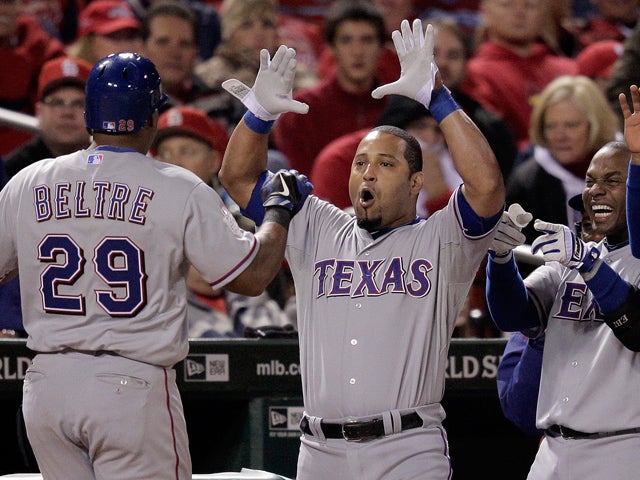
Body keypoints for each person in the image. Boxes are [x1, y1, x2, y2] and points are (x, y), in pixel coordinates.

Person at [0, 52, 312, 479]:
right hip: (129, 386)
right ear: (151, 118)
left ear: (91, 113)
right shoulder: (176, 186)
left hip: (48, 386)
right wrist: (278, 213)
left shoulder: (29, 180)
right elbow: (253, 276)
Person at [219, 18, 505, 479]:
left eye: (385, 164)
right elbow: (238, 178)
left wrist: (437, 96)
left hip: (407, 449)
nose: (367, 174)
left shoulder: (442, 237)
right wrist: (258, 115)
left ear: (417, 183)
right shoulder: (316, 224)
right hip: (319, 451)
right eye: (360, 164)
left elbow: (488, 186)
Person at [486, 140, 640, 479]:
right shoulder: (569, 262)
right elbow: (513, 314)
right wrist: (500, 260)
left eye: (612, 181)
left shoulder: (621, 260)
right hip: (554, 451)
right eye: (589, 181)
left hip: (624, 449)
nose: (595, 191)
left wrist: (588, 264)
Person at [496, 194, 603, 438]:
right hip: (558, 449)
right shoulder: (557, 280)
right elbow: (521, 410)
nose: (596, 240)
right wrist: (500, 261)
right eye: (586, 226)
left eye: (604, 222)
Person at [271, 0, 390, 176]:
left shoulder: (398, 107)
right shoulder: (300, 111)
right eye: (346, 40)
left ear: (381, 47)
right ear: (331, 48)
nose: (357, 51)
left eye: (367, 40)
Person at [507, 75, 619, 245]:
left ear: (595, 125)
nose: (559, 136)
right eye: (551, 126)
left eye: (571, 125)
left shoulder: (629, 168)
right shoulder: (527, 183)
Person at [465, 0, 577, 149]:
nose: (519, 13)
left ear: (545, 11)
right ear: (485, 10)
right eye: (507, 4)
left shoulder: (570, 70)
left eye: (530, 5)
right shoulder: (472, 74)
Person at [195, 0, 318, 131]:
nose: (259, 33)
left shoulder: (298, 73)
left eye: (267, 24)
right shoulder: (208, 75)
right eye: (247, 25)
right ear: (229, 33)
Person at [4, 55, 92, 178]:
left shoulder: (113, 168)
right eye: (57, 103)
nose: (67, 112)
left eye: (79, 104)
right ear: (39, 111)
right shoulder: (11, 174)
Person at [0, 0, 65, 157]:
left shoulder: (42, 46)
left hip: (28, 148)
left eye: (7, 2)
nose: (2, 10)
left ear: (20, 5)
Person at [141, 0, 216, 116]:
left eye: (184, 44)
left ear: (196, 52)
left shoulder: (219, 103)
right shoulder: (125, 103)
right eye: (163, 42)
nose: (174, 53)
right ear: (142, 48)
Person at [65, 0, 144, 65]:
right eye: (114, 36)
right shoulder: (68, 77)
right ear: (90, 40)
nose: (125, 45)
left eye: (130, 37)